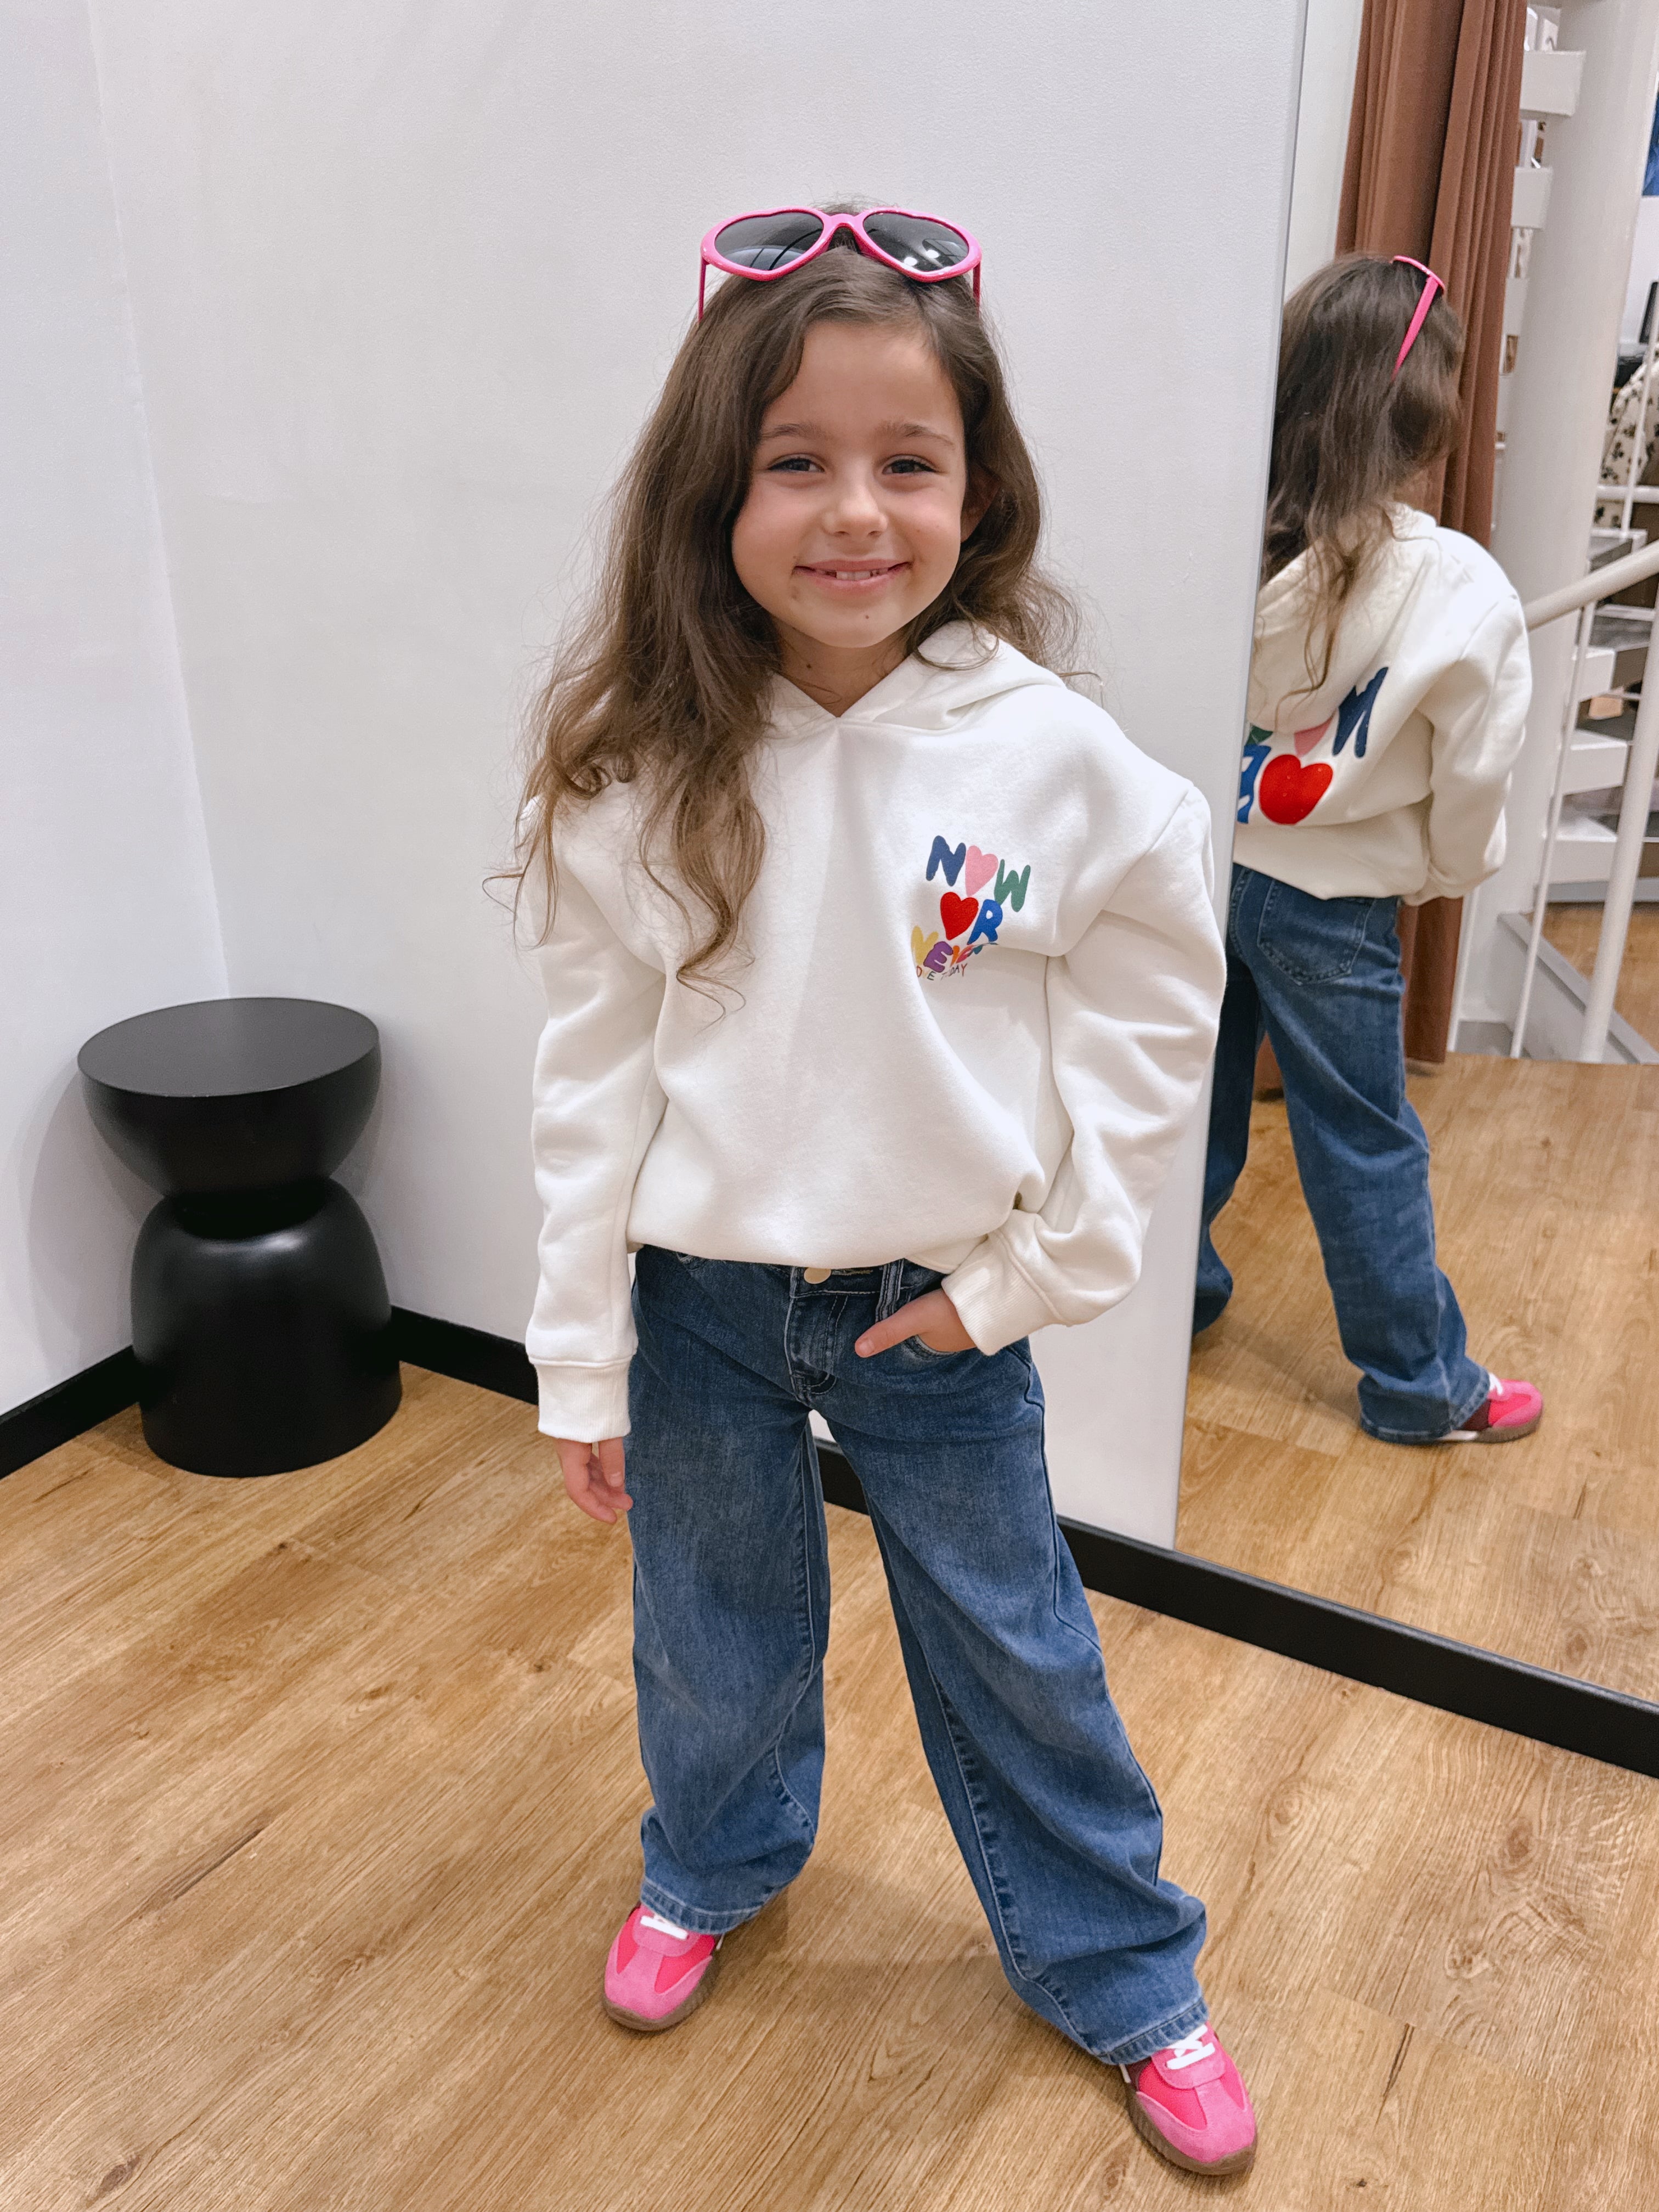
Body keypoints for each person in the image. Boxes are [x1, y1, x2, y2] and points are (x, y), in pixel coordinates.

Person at [515, 205, 1256, 2177]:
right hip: (696, 1305)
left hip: (935, 1309)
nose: (855, 512)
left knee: (1018, 1643)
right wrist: (578, 1357)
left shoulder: (1062, 765)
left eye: (907, 460)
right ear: (714, 494)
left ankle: (1124, 1965)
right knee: (709, 1629)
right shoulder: (641, 767)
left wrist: (1034, 1277)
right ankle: (711, 1860)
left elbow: (1148, 1038)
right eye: (796, 462)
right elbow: (590, 1079)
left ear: (978, 487)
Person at [1198, 253, 1540, 1446]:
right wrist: (1447, 871)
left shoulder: (1228, 544)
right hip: (1334, 907)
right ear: (1429, 414)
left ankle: (1169, 1301)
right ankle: (1419, 1383)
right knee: (1363, 1140)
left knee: (1190, 1100)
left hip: (1209, 866)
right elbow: (1475, 774)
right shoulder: (1458, 586)